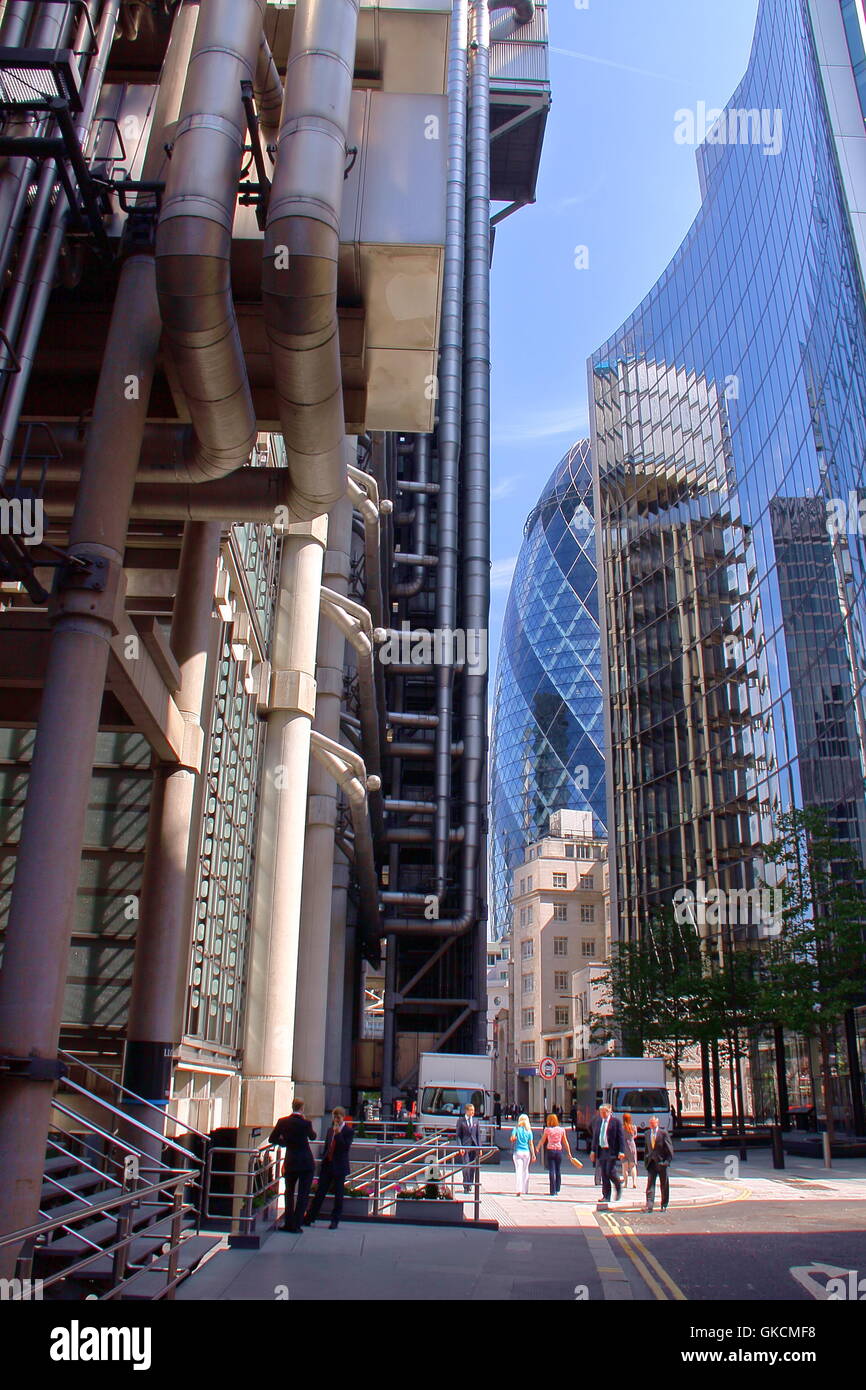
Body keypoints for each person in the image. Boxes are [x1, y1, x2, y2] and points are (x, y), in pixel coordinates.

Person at [269, 1098, 316, 1233]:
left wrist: (285, 1143)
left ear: (292, 1107)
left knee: (289, 1192)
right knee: (303, 1193)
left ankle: (288, 1223)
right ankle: (297, 1224)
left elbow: (272, 1139)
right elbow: (313, 1137)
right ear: (302, 1109)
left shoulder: (282, 1122)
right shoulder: (306, 1123)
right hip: (306, 1162)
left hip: (291, 1161)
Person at [305, 1107, 354, 1229]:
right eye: (334, 1117)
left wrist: (338, 1134)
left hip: (339, 1166)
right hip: (328, 1165)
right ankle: (310, 1217)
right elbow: (327, 1146)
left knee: (338, 1194)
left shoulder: (348, 1131)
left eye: (338, 1117)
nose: (336, 1119)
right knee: (320, 1192)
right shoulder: (329, 1130)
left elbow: (345, 1147)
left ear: (343, 1117)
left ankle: (335, 1220)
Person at [537, 1112, 582, 1196]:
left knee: (551, 1170)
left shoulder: (547, 1130)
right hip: (558, 1151)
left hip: (550, 1151)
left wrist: (537, 1148)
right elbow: (565, 1142)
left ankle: (552, 1191)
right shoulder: (562, 1130)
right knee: (558, 1170)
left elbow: (542, 1140)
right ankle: (557, 1188)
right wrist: (569, 1153)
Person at [590, 1103, 626, 1205]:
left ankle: (618, 1185)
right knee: (604, 1173)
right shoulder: (598, 1122)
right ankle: (606, 1196)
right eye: (601, 1112)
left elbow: (621, 1137)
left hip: (611, 1150)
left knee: (610, 1171)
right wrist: (593, 1151)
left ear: (610, 1112)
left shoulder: (616, 1122)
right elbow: (595, 1137)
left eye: (604, 1112)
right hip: (601, 1150)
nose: (602, 1114)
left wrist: (621, 1151)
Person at [644, 1115, 674, 1212]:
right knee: (650, 1185)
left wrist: (667, 1162)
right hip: (651, 1163)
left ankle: (664, 1204)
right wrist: (646, 1161)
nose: (651, 1125)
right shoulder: (647, 1133)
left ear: (657, 1123)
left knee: (664, 1184)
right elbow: (646, 1149)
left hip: (661, 1162)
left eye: (653, 1123)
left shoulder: (663, 1133)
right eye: (650, 1123)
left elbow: (669, 1148)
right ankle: (649, 1205)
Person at [455, 1101, 482, 1194]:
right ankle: (466, 1185)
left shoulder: (476, 1121)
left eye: (473, 1110)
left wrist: (480, 1148)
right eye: (471, 1110)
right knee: (466, 1166)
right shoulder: (461, 1121)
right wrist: (460, 1147)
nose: (473, 1112)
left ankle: (470, 1183)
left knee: (472, 1167)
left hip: (474, 1146)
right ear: (466, 1111)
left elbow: (478, 1135)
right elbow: (458, 1135)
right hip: (465, 1146)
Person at [510, 1113, 536, 1196]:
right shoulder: (529, 1131)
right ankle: (525, 1189)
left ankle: (518, 1189)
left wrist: (514, 1138)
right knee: (526, 1170)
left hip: (518, 1151)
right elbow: (531, 1143)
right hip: (526, 1152)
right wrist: (533, 1154)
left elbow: (512, 1139)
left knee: (519, 1170)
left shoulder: (516, 1129)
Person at [622, 1112, 639, 1189]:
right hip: (632, 1146)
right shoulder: (633, 1127)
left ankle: (625, 1183)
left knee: (624, 1167)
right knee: (632, 1166)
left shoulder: (621, 1127)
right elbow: (635, 1135)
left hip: (623, 1147)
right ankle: (634, 1182)